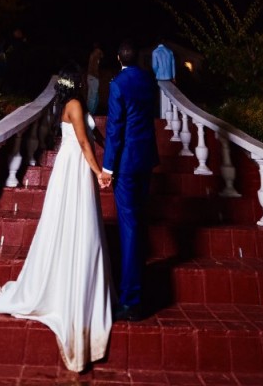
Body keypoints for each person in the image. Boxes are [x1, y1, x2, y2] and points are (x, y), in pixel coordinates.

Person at [0, 64, 114, 372]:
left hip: (73, 166)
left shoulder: (72, 105)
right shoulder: (73, 106)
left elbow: (92, 135)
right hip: (73, 167)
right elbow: (83, 143)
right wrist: (99, 171)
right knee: (72, 220)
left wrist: (109, 147)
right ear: (75, 85)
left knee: (81, 224)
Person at [101, 40, 159, 322]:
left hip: (125, 163)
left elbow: (114, 129)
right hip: (146, 158)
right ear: (137, 57)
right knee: (138, 220)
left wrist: (108, 167)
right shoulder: (148, 80)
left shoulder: (117, 84)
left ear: (118, 58)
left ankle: (132, 300)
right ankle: (135, 289)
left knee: (130, 226)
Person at [151, 41, 176, 117]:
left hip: (160, 76)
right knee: (168, 96)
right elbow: (173, 65)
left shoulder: (155, 52)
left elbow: (154, 66)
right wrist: (174, 76)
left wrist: (156, 73)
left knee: (159, 97)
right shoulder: (169, 51)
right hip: (169, 76)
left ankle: (162, 114)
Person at [86, 44, 104, 115]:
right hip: (93, 78)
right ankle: (90, 114)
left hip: (91, 78)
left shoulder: (93, 55)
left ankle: (91, 113)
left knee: (95, 97)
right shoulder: (95, 56)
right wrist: (97, 76)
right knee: (92, 98)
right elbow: (94, 69)